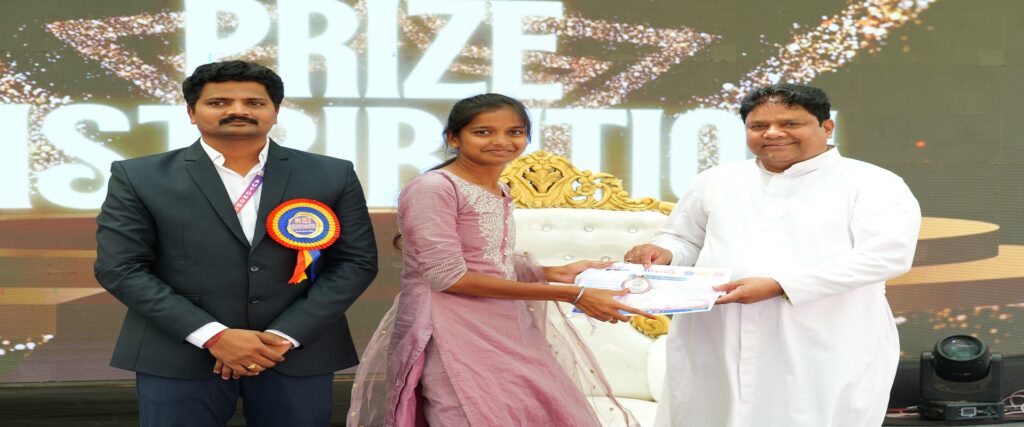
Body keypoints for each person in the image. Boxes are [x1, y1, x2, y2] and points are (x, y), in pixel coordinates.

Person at [94, 60, 378, 426]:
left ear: (276, 111)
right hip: (179, 353)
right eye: (219, 102)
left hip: (294, 352)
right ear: (191, 112)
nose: (238, 110)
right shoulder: (139, 176)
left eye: (254, 102)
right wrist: (214, 336)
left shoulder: (332, 173)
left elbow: (356, 263)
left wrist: (283, 336)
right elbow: (120, 267)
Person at [624, 84, 922, 427]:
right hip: (716, 333)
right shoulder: (716, 180)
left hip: (823, 335)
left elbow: (886, 256)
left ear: (826, 127)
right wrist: (663, 252)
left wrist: (781, 285)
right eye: (758, 126)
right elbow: (684, 238)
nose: (773, 133)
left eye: (790, 123)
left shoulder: (873, 183)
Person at [348, 93, 652, 426]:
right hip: (450, 325)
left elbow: (487, 260)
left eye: (514, 132)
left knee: (528, 411)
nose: (502, 141)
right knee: (470, 413)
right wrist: (572, 294)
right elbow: (447, 276)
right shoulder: (434, 188)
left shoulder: (500, 188)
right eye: (483, 132)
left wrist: (554, 272)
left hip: (505, 320)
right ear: (453, 138)